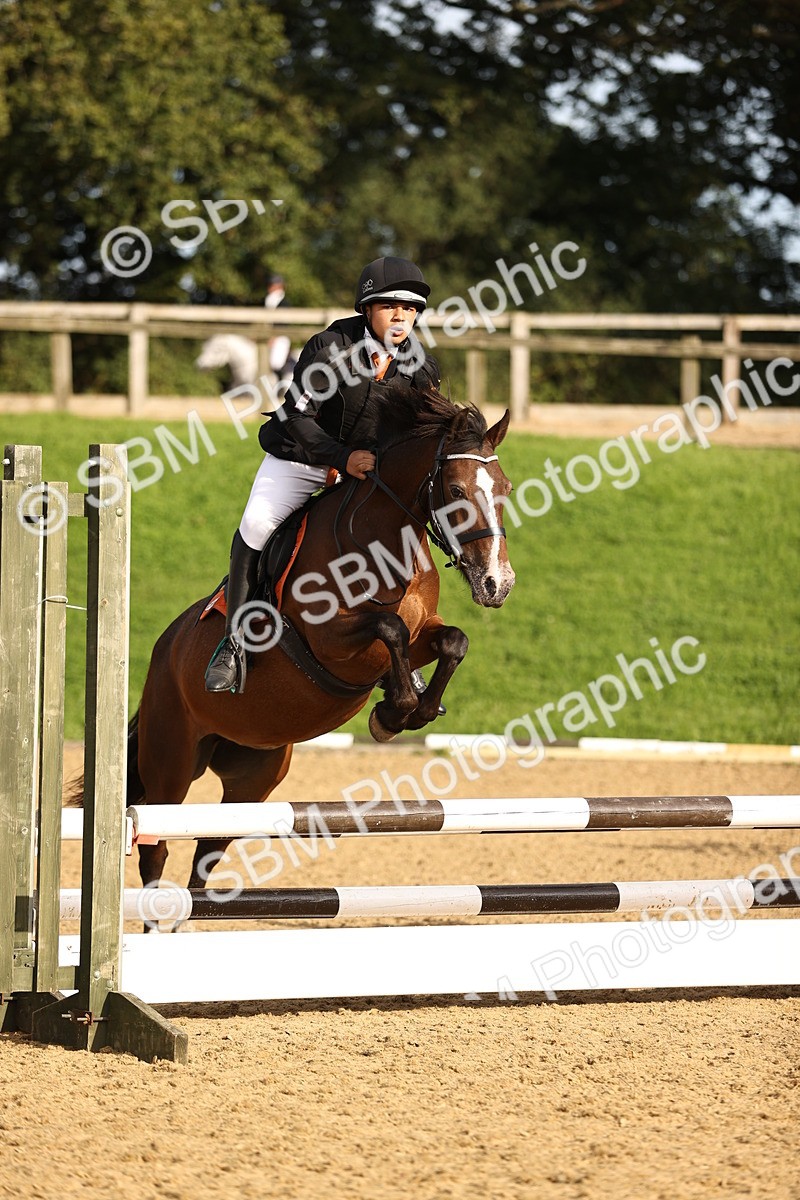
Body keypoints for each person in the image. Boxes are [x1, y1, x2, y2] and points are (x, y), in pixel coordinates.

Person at [205, 256, 440, 694]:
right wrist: (341, 456)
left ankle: (402, 653)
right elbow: (297, 416)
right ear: (366, 309)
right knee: (257, 525)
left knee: (398, 536)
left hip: (366, 472)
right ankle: (234, 644)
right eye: (390, 306)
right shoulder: (328, 348)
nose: (401, 317)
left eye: (409, 309)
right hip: (301, 459)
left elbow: (422, 431)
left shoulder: (420, 367)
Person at [264, 273, 296, 383]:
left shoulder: (284, 302)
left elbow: (283, 323)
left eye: (272, 284)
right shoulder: (268, 300)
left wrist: (274, 336)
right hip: (267, 335)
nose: (270, 287)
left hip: (280, 336)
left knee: (276, 363)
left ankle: (280, 385)